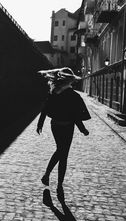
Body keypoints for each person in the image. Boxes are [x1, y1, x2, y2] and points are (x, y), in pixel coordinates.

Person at [36, 67, 91, 196]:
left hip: (55, 125)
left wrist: (40, 124)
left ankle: (48, 176)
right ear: (70, 80)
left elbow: (45, 109)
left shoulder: (54, 92)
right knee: (63, 153)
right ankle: (58, 183)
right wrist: (83, 130)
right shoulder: (73, 96)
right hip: (67, 127)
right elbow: (76, 116)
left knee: (60, 151)